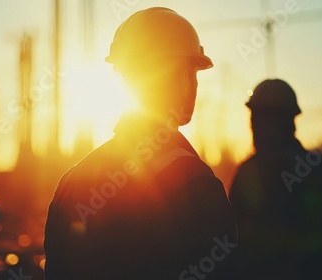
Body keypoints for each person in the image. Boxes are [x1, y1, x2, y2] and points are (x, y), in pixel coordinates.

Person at [45, 7, 237, 280]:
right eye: (192, 73)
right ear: (181, 77)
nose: (194, 85)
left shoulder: (71, 181)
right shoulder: (195, 184)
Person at [228, 79, 322, 280]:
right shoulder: (321, 169)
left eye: (257, 116)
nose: (252, 124)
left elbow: (229, 243)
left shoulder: (247, 174)